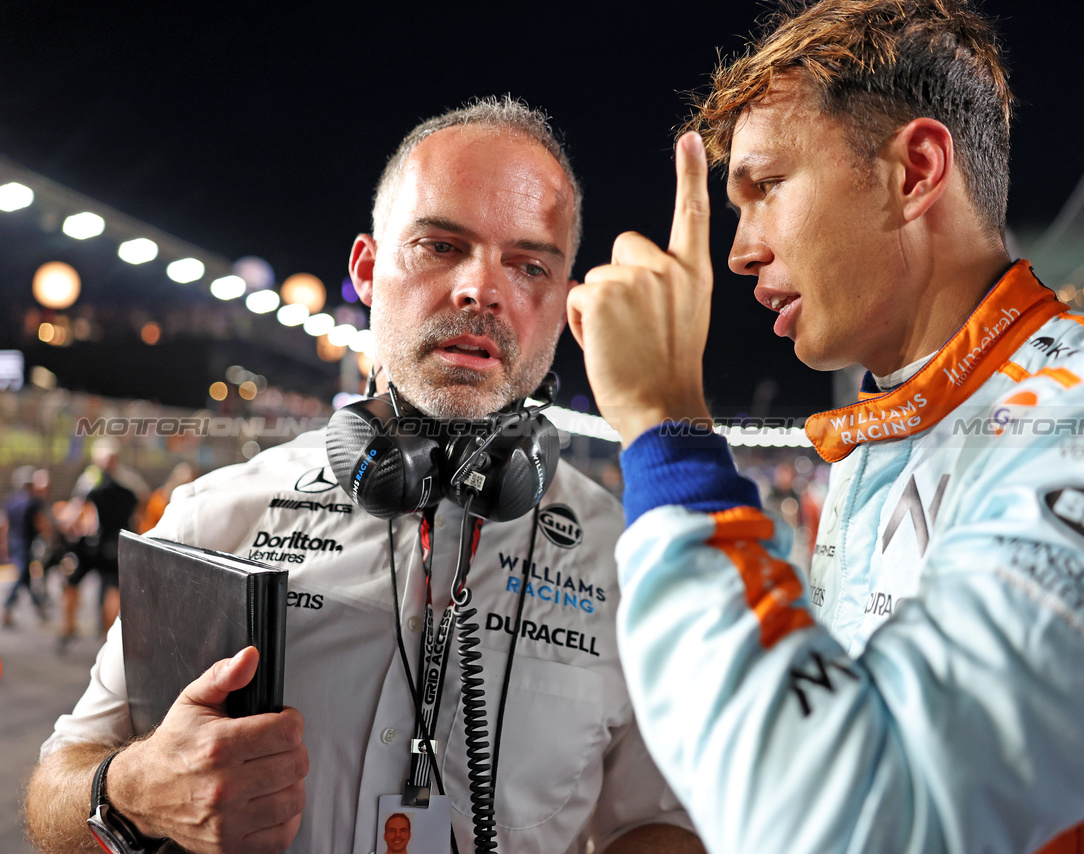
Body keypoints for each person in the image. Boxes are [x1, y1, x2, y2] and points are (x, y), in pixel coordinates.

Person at [565, 2, 1084, 852]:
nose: (740, 250)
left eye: (767, 189)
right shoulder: (889, 437)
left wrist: (665, 433)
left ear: (915, 172)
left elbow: (854, 821)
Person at [26, 98, 700, 854]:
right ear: (369, 271)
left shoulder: (630, 558)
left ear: (565, 302)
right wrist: (132, 790)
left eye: (528, 263)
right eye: (442, 246)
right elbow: (56, 791)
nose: (482, 289)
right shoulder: (220, 516)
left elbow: (660, 822)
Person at [60, 441, 140, 643]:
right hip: (116, 542)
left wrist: (71, 527)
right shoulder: (128, 479)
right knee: (105, 586)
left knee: (110, 588)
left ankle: (100, 632)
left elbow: (76, 509)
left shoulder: (92, 479)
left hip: (100, 542)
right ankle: (79, 628)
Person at [3, 466, 51, 626]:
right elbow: (40, 523)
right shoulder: (33, 502)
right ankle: (8, 608)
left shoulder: (11, 500)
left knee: (26, 578)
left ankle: (39, 607)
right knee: (22, 577)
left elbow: (5, 525)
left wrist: (5, 545)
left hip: (14, 542)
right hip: (26, 543)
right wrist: (52, 537)